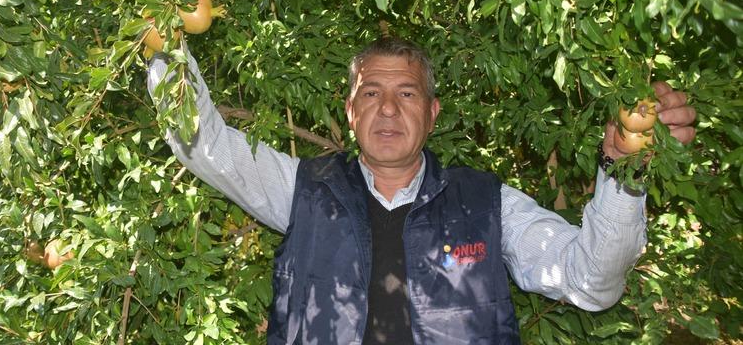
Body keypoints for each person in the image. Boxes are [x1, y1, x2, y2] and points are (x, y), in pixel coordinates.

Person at [147, 37, 696, 345]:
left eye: (406, 93)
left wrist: (626, 170)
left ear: (432, 114)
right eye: (371, 93)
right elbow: (205, 146)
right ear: (350, 111)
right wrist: (164, 38)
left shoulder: (488, 203)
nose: (388, 108)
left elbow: (591, 282)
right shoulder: (303, 189)